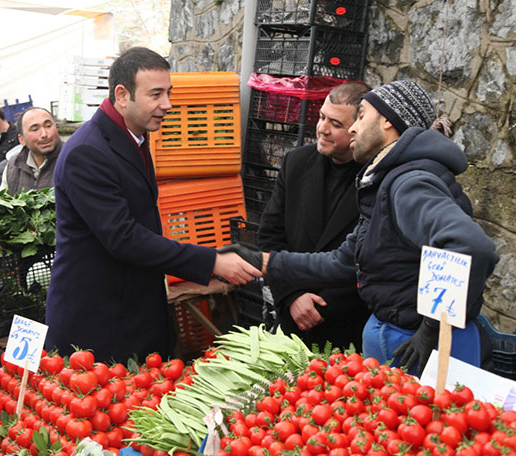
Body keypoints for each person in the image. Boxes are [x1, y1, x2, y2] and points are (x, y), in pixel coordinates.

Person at [225, 80, 499, 375]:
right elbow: (344, 260)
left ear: (387, 121)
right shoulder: (389, 179)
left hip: (416, 343)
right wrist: (263, 261)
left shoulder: (409, 182)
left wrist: (432, 327)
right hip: (400, 337)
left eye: (361, 116)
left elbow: (472, 247)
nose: (353, 128)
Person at [45, 47, 262, 364]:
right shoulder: (87, 152)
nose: (167, 104)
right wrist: (211, 261)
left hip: (135, 307)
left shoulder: (134, 136)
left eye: (168, 93)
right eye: (156, 94)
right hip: (99, 322)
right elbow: (124, 237)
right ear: (122, 95)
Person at [257, 82, 371, 351]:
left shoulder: (376, 178)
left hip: (350, 331)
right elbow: (270, 237)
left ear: (358, 128)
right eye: (321, 117)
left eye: (335, 123)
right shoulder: (296, 162)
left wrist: (321, 306)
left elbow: (369, 259)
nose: (322, 128)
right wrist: (292, 296)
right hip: (292, 322)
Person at [0, 107, 63, 194]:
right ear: (21, 139)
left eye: (48, 126)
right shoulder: (13, 166)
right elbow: (2, 203)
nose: (44, 134)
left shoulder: (72, 160)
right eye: (35, 129)